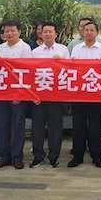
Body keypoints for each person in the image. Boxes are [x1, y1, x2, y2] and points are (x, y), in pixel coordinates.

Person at [0, 20, 32, 170]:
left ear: (19, 32)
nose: (9, 33)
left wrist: (19, 94)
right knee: (2, 125)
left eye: (12, 31)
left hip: (17, 94)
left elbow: (27, 72)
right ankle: (5, 156)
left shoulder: (25, 48)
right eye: (6, 31)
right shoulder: (1, 48)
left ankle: (17, 157)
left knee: (17, 126)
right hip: (2, 93)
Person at [69, 21, 101, 168]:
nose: (89, 32)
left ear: (97, 33)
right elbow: (72, 69)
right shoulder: (76, 48)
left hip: (96, 94)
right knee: (78, 126)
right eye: (86, 30)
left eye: (92, 30)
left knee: (95, 127)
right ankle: (77, 156)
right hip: (78, 94)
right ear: (82, 32)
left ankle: (96, 156)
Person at [30, 22, 69, 168]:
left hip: (56, 96)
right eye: (44, 32)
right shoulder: (35, 52)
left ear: (56, 34)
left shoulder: (63, 50)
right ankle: (38, 156)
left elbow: (70, 71)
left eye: (50, 31)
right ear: (41, 34)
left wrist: (61, 62)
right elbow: (30, 74)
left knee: (55, 128)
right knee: (37, 128)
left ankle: (54, 156)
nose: (47, 34)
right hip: (39, 96)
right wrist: (33, 95)